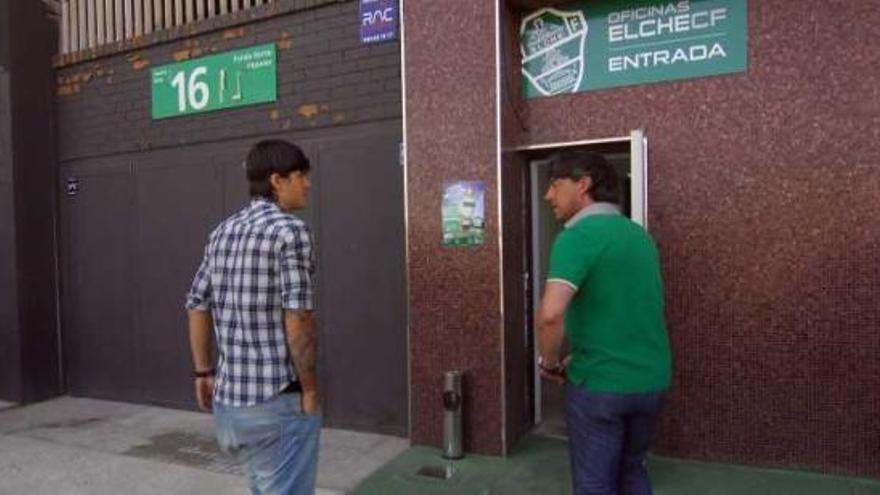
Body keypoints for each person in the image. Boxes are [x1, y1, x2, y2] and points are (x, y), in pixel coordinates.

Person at [185, 139, 320, 495]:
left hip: (230, 406)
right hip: (275, 404)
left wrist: (203, 372)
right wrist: (310, 390)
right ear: (277, 180)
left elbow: (197, 302)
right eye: (300, 175)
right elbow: (298, 317)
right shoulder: (290, 232)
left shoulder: (221, 233)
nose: (307, 183)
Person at [537, 151, 671, 495]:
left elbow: (551, 314)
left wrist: (549, 362)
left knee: (595, 483)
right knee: (633, 471)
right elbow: (624, 308)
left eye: (555, 185)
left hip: (600, 385)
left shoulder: (577, 236)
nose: (548, 195)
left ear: (583, 185)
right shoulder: (638, 236)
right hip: (651, 381)